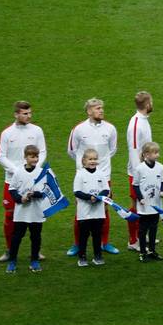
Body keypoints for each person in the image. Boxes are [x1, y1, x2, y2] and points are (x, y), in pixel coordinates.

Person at [67, 97, 118, 256]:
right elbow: (72, 151)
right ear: (89, 111)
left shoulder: (110, 129)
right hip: (83, 177)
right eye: (97, 108)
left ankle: (105, 242)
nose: (101, 111)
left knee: (104, 209)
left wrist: (99, 169)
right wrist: (84, 167)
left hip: (104, 176)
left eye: (102, 108)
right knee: (81, 210)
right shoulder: (79, 129)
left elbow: (112, 150)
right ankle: (77, 244)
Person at [0, 101, 47, 263]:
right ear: (16, 114)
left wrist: (34, 170)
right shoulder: (7, 133)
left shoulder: (37, 131)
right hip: (12, 180)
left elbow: (43, 151)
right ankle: (9, 250)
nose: (29, 116)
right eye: (25, 113)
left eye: (30, 113)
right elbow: (1, 156)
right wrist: (17, 171)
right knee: (10, 215)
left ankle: (36, 251)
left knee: (35, 214)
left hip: (34, 180)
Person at [7, 145, 48, 273]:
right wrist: (20, 199)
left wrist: (33, 194)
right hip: (21, 212)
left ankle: (34, 260)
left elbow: (45, 192)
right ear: (25, 157)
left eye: (36, 156)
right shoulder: (18, 172)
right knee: (17, 237)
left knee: (36, 237)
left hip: (36, 212)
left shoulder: (41, 172)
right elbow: (12, 189)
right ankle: (12, 261)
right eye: (32, 156)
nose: (35, 159)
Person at [123, 92, 153, 252]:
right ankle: (132, 240)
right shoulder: (136, 124)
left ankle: (143, 235)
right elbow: (133, 151)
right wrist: (138, 175)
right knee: (136, 204)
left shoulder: (143, 121)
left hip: (146, 170)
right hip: (137, 173)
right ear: (147, 104)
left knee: (146, 204)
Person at [73, 148, 110, 267]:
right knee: (83, 235)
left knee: (97, 234)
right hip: (84, 212)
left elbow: (106, 189)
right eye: (90, 159)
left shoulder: (101, 173)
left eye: (95, 159)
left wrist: (98, 197)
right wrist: (89, 197)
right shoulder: (80, 174)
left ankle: (97, 255)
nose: (93, 161)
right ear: (84, 161)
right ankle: (82, 257)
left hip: (98, 212)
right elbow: (77, 192)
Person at [132, 141, 163, 262]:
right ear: (146, 154)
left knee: (154, 228)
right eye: (155, 152)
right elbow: (135, 185)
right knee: (142, 230)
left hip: (156, 204)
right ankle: (142, 252)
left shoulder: (160, 167)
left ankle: (152, 250)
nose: (157, 155)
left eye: (158, 152)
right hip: (144, 206)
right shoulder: (139, 168)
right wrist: (140, 198)